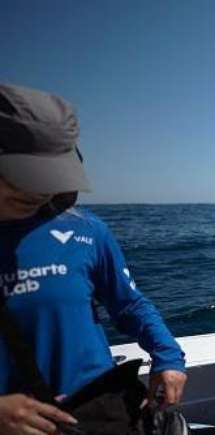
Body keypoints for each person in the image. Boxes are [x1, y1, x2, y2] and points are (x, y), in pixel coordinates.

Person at [0, 83, 187, 435]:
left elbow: (129, 304)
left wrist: (168, 355)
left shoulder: (86, 229)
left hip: (97, 411)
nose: (40, 192)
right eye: (25, 177)